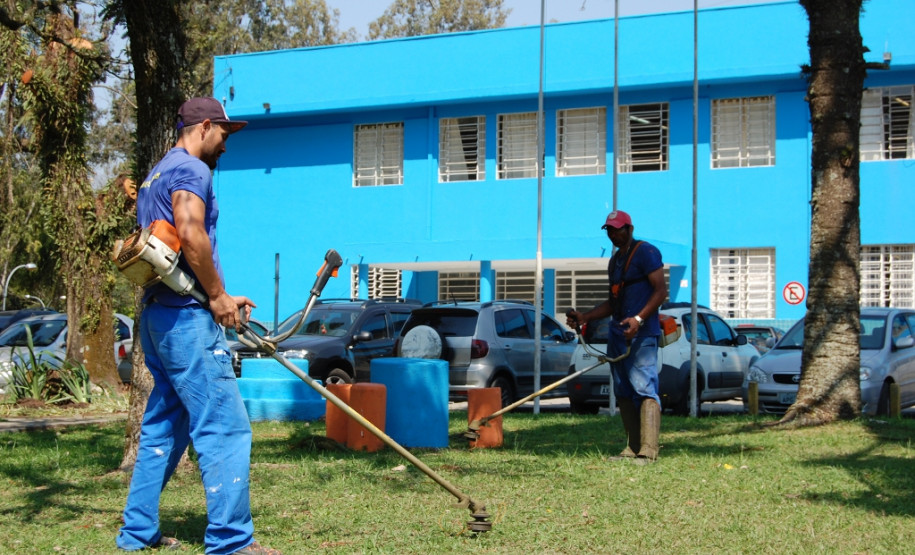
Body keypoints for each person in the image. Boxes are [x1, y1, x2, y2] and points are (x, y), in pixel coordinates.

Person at [117, 97, 279, 554]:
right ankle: (231, 543)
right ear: (204, 126)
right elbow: (189, 233)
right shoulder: (193, 170)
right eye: (223, 135)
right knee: (225, 427)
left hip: (158, 317)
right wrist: (214, 296)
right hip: (187, 321)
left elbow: (172, 251)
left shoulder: (156, 173)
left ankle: (137, 533)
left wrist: (223, 296)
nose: (225, 146)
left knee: (163, 428)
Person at [567, 210, 667, 463]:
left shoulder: (646, 252)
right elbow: (614, 302)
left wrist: (639, 319)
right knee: (623, 389)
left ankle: (649, 449)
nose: (614, 234)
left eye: (618, 229)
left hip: (641, 334)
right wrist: (586, 317)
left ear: (630, 229)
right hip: (618, 332)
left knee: (643, 387)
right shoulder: (615, 262)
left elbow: (660, 291)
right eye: (609, 230)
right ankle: (632, 447)